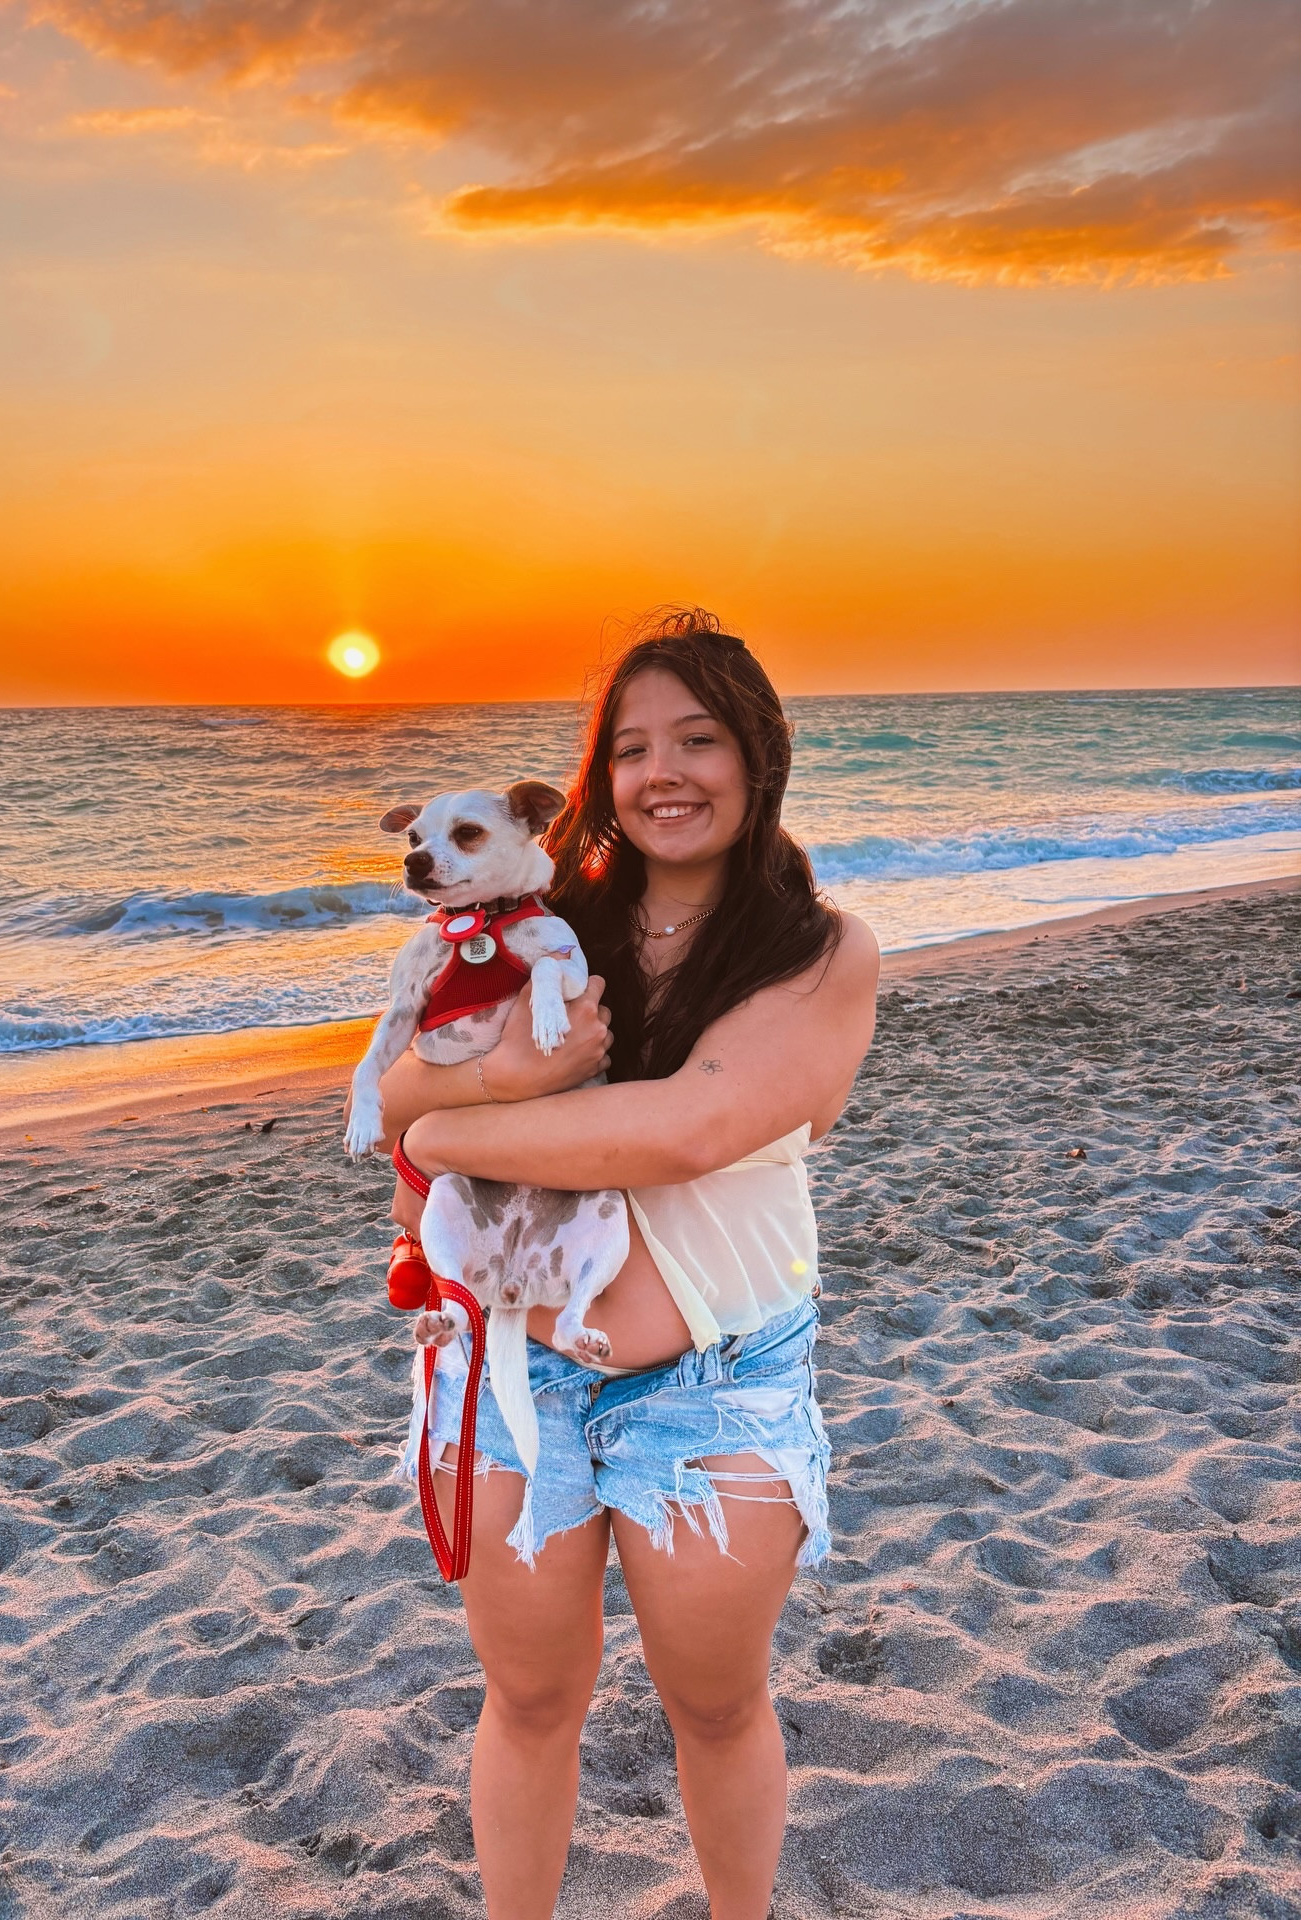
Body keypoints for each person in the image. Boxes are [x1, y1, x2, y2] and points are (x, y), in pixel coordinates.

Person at [374, 608, 879, 1920]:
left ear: (758, 754)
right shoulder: (547, 925)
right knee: (529, 1701)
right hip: (510, 1379)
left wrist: (460, 1113)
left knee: (715, 1708)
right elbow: (385, 1094)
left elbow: (687, 1127)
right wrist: (490, 1077)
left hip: (713, 1390)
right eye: (632, 747)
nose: (663, 773)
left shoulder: (821, 953)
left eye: (698, 740)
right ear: (595, 780)